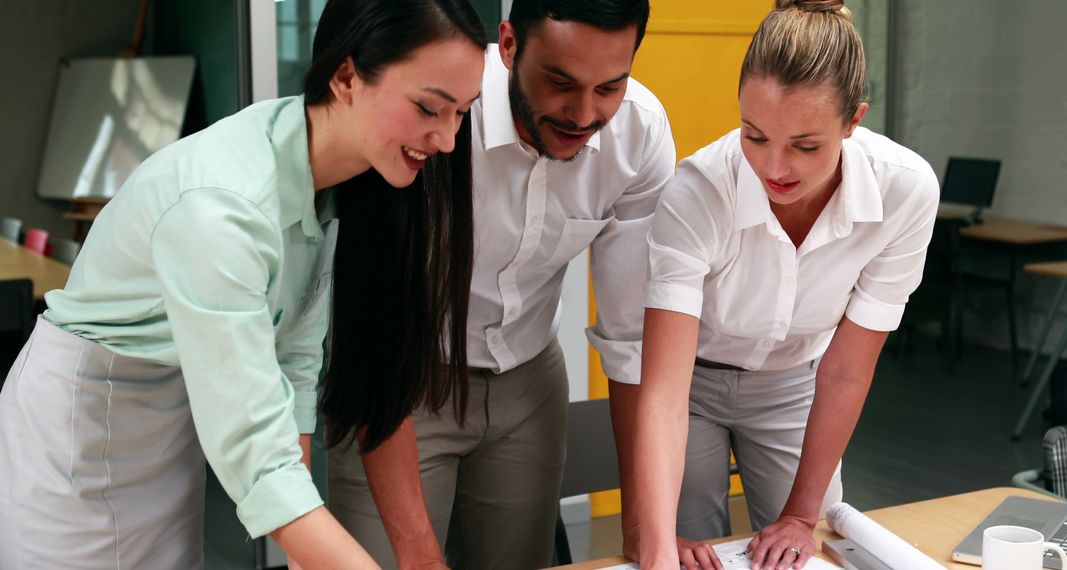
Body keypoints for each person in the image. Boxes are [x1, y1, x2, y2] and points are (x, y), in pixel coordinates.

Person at [0, 0, 486, 567]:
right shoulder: (222, 207)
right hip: (79, 437)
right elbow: (257, 458)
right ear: (347, 76)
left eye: (462, 113)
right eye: (429, 108)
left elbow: (294, 369)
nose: (446, 139)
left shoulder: (331, 178)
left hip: (162, 425)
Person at [325, 1, 677, 568]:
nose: (583, 114)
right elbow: (369, 326)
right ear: (509, 45)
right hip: (399, 376)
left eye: (609, 87)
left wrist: (640, 527)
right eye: (560, 82)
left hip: (528, 382)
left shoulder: (639, 133)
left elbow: (631, 340)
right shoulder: (436, 112)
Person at [627, 1, 940, 569]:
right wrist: (656, 547)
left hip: (797, 381)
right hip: (689, 384)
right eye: (755, 135)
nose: (774, 168)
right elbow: (665, 394)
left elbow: (846, 370)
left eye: (805, 145)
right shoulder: (697, 193)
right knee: (686, 549)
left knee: (806, 546)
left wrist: (799, 515)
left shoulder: (904, 191)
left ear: (853, 120)